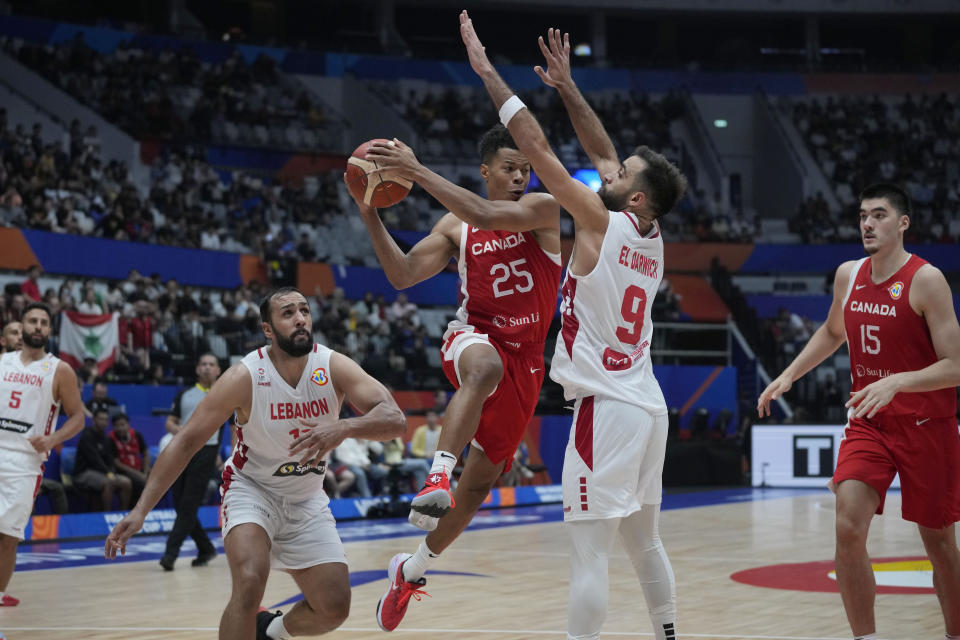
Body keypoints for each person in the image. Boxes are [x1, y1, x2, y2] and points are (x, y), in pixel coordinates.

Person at [461, 17, 687, 640]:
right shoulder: (650, 232)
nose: (608, 175)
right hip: (648, 405)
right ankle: (668, 633)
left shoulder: (595, 217)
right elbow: (605, 150)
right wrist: (566, 85)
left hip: (606, 408)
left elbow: (534, 148)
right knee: (645, 543)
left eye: (620, 178)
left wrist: (487, 73)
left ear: (633, 198)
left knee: (590, 553)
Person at [348, 120, 561, 629]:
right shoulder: (452, 228)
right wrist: (369, 213)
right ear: (485, 169)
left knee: (481, 486)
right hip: (475, 338)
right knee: (483, 366)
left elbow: (487, 213)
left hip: (529, 359)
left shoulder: (544, 210)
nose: (520, 178)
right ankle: (437, 472)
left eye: (525, 170)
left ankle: (411, 570)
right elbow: (401, 275)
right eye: (510, 169)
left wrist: (417, 170)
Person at [105, 287, 407, 640]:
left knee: (334, 608)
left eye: (304, 311)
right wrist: (141, 510)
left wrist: (344, 427)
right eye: (288, 313)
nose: (300, 319)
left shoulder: (332, 364)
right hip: (252, 490)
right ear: (268, 329)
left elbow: (395, 419)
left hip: (307, 498)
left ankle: (270, 631)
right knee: (249, 583)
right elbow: (186, 441)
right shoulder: (245, 375)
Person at [758, 183, 960, 640]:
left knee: (940, 543)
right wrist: (790, 374)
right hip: (870, 423)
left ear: (903, 223)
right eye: (863, 215)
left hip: (927, 424)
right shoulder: (848, 275)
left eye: (880, 215)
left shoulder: (926, 280)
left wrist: (898, 381)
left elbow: (957, 365)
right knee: (848, 524)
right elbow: (832, 333)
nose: (868, 223)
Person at [0, 302, 84, 606]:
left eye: (44, 322)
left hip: (25, 461)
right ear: (21, 328)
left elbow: (78, 418)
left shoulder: (60, 370)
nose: (38, 326)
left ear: (49, 330)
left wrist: (51, 439)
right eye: (33, 321)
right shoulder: (3, 362)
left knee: (9, 535)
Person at [159, 353, 223, 571]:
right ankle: (205, 548)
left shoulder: (225, 396)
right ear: (197, 369)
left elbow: (234, 427)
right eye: (203, 364)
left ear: (218, 371)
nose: (206, 368)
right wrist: (182, 432)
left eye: (211, 364)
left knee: (188, 505)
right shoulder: (184, 395)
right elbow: (170, 421)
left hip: (206, 452)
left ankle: (170, 554)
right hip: (182, 451)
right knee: (181, 505)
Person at [74, 407, 133, 510]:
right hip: (84, 473)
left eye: (106, 419)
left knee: (126, 482)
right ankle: (106, 514)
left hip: (102, 473)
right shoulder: (86, 436)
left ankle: (124, 513)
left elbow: (110, 459)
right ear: (94, 420)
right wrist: (108, 473)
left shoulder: (106, 438)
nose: (103, 422)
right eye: (101, 419)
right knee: (109, 482)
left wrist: (112, 471)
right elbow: (94, 460)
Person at [108, 412, 150, 503]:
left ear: (128, 425)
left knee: (157, 477)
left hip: (140, 469)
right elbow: (117, 463)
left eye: (122, 425)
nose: (120, 428)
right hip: (123, 471)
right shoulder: (110, 439)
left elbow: (145, 454)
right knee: (139, 482)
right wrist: (138, 474)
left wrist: (145, 472)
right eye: (116, 425)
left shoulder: (137, 435)